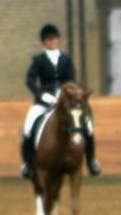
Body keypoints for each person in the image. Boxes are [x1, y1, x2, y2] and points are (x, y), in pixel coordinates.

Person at [21, 23, 101, 178]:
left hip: (66, 100)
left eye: (54, 39)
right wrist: (42, 95)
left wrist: (67, 93)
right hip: (44, 101)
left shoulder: (66, 59)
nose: (52, 42)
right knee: (28, 125)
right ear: (44, 42)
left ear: (58, 40)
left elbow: (71, 79)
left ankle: (91, 161)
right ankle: (28, 164)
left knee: (88, 125)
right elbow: (30, 80)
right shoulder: (38, 60)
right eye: (49, 39)